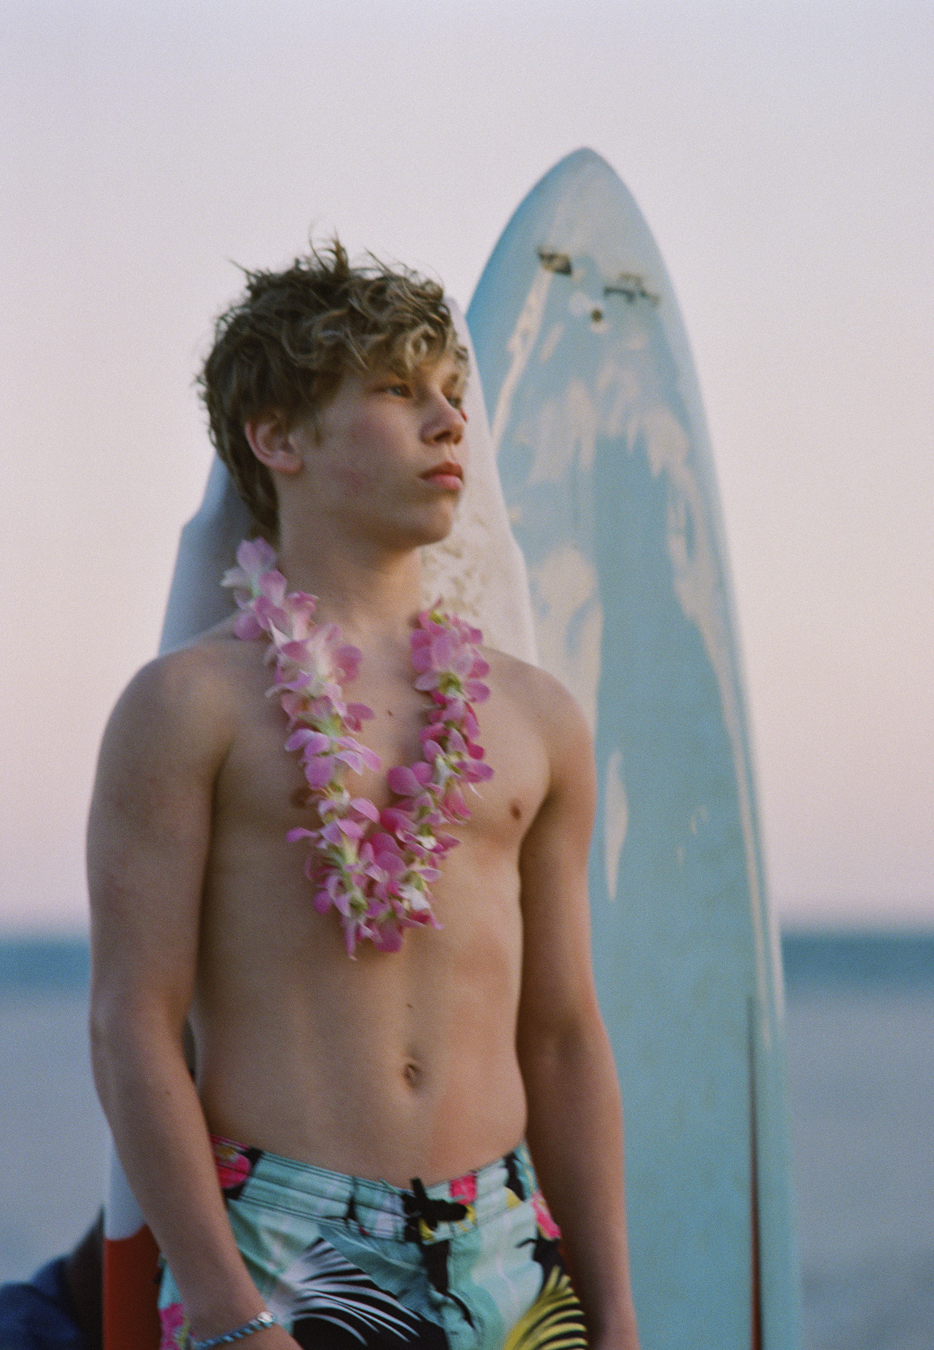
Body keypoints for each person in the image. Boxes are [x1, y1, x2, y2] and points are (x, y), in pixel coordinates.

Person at [88, 242, 639, 1350]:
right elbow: (132, 1023)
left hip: (508, 1247)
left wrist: (614, 1310)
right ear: (278, 438)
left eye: (451, 395)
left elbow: (565, 1035)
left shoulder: (536, 719)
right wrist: (222, 1305)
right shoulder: (187, 706)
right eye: (395, 392)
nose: (448, 425)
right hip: (281, 1252)